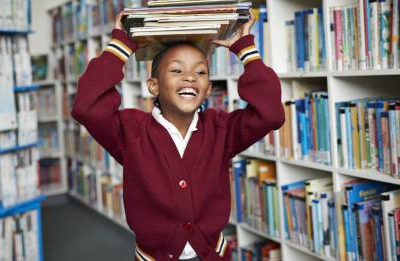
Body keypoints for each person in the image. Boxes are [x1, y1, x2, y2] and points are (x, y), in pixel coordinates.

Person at [71, 9, 284, 261]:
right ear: (154, 86)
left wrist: (245, 50)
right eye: (176, 71)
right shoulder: (130, 132)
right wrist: (120, 47)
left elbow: (270, 113)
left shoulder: (222, 131)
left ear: (207, 90)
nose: (190, 77)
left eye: (201, 72)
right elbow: (87, 106)